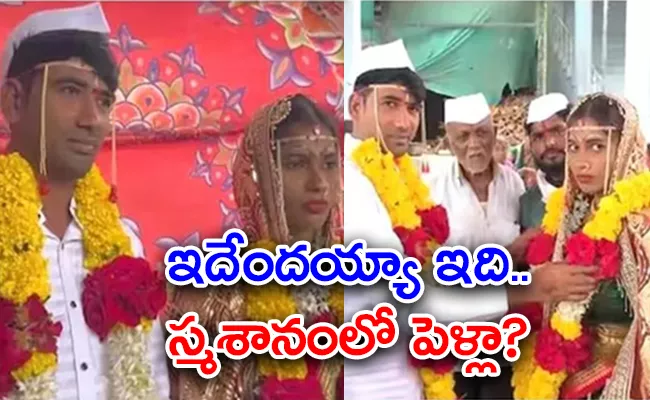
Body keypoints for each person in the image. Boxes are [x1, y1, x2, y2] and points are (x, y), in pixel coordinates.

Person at [343, 39, 597, 400]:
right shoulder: (353, 186)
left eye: (413, 108)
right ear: (357, 105)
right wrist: (531, 286)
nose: (404, 122)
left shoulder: (508, 185)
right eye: (390, 104)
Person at [0, 3, 169, 399]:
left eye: (104, 100)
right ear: (15, 101)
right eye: (71, 90)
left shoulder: (122, 244)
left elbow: (154, 381)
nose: (92, 118)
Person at [166, 94, 343, 400]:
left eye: (329, 163)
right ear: (259, 175)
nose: (319, 182)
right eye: (297, 163)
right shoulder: (218, 288)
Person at [513, 93, 650, 399]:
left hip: (624, 380)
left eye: (596, 146)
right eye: (573, 147)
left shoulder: (640, 224)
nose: (580, 161)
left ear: (624, 147)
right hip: (571, 375)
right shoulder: (573, 214)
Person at [520, 93, 570, 230]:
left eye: (557, 131)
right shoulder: (525, 204)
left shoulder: (599, 192)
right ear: (530, 144)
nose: (549, 143)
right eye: (539, 136)